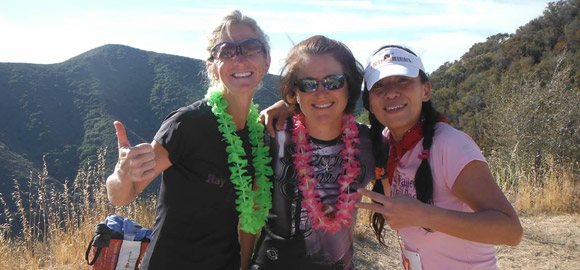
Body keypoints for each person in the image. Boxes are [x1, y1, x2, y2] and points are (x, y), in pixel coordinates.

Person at [105, 10, 273, 269]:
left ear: (266, 63)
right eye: (226, 51)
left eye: (251, 48)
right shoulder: (187, 123)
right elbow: (122, 195)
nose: (239, 58)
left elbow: (248, 222)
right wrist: (121, 175)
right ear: (212, 68)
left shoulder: (259, 136)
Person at [355, 45, 523, 269]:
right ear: (371, 105)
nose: (391, 92)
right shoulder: (385, 144)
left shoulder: (450, 145)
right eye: (379, 85)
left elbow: (511, 231)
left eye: (403, 80)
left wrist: (423, 215)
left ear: (426, 90)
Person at [249, 35, 375, 270]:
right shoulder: (272, 135)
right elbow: (248, 212)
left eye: (333, 81)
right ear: (294, 91)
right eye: (308, 84)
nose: (320, 92)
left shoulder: (371, 142)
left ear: (350, 84)